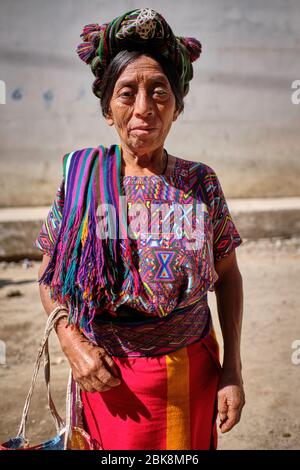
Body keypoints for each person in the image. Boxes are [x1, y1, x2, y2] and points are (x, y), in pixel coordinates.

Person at [35, 8, 245, 450]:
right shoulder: (82, 179)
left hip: (190, 375)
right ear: (108, 110)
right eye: (127, 93)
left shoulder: (200, 183)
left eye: (159, 92)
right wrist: (73, 346)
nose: (144, 109)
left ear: (177, 108)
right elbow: (48, 276)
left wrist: (233, 371)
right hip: (104, 377)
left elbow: (227, 277)